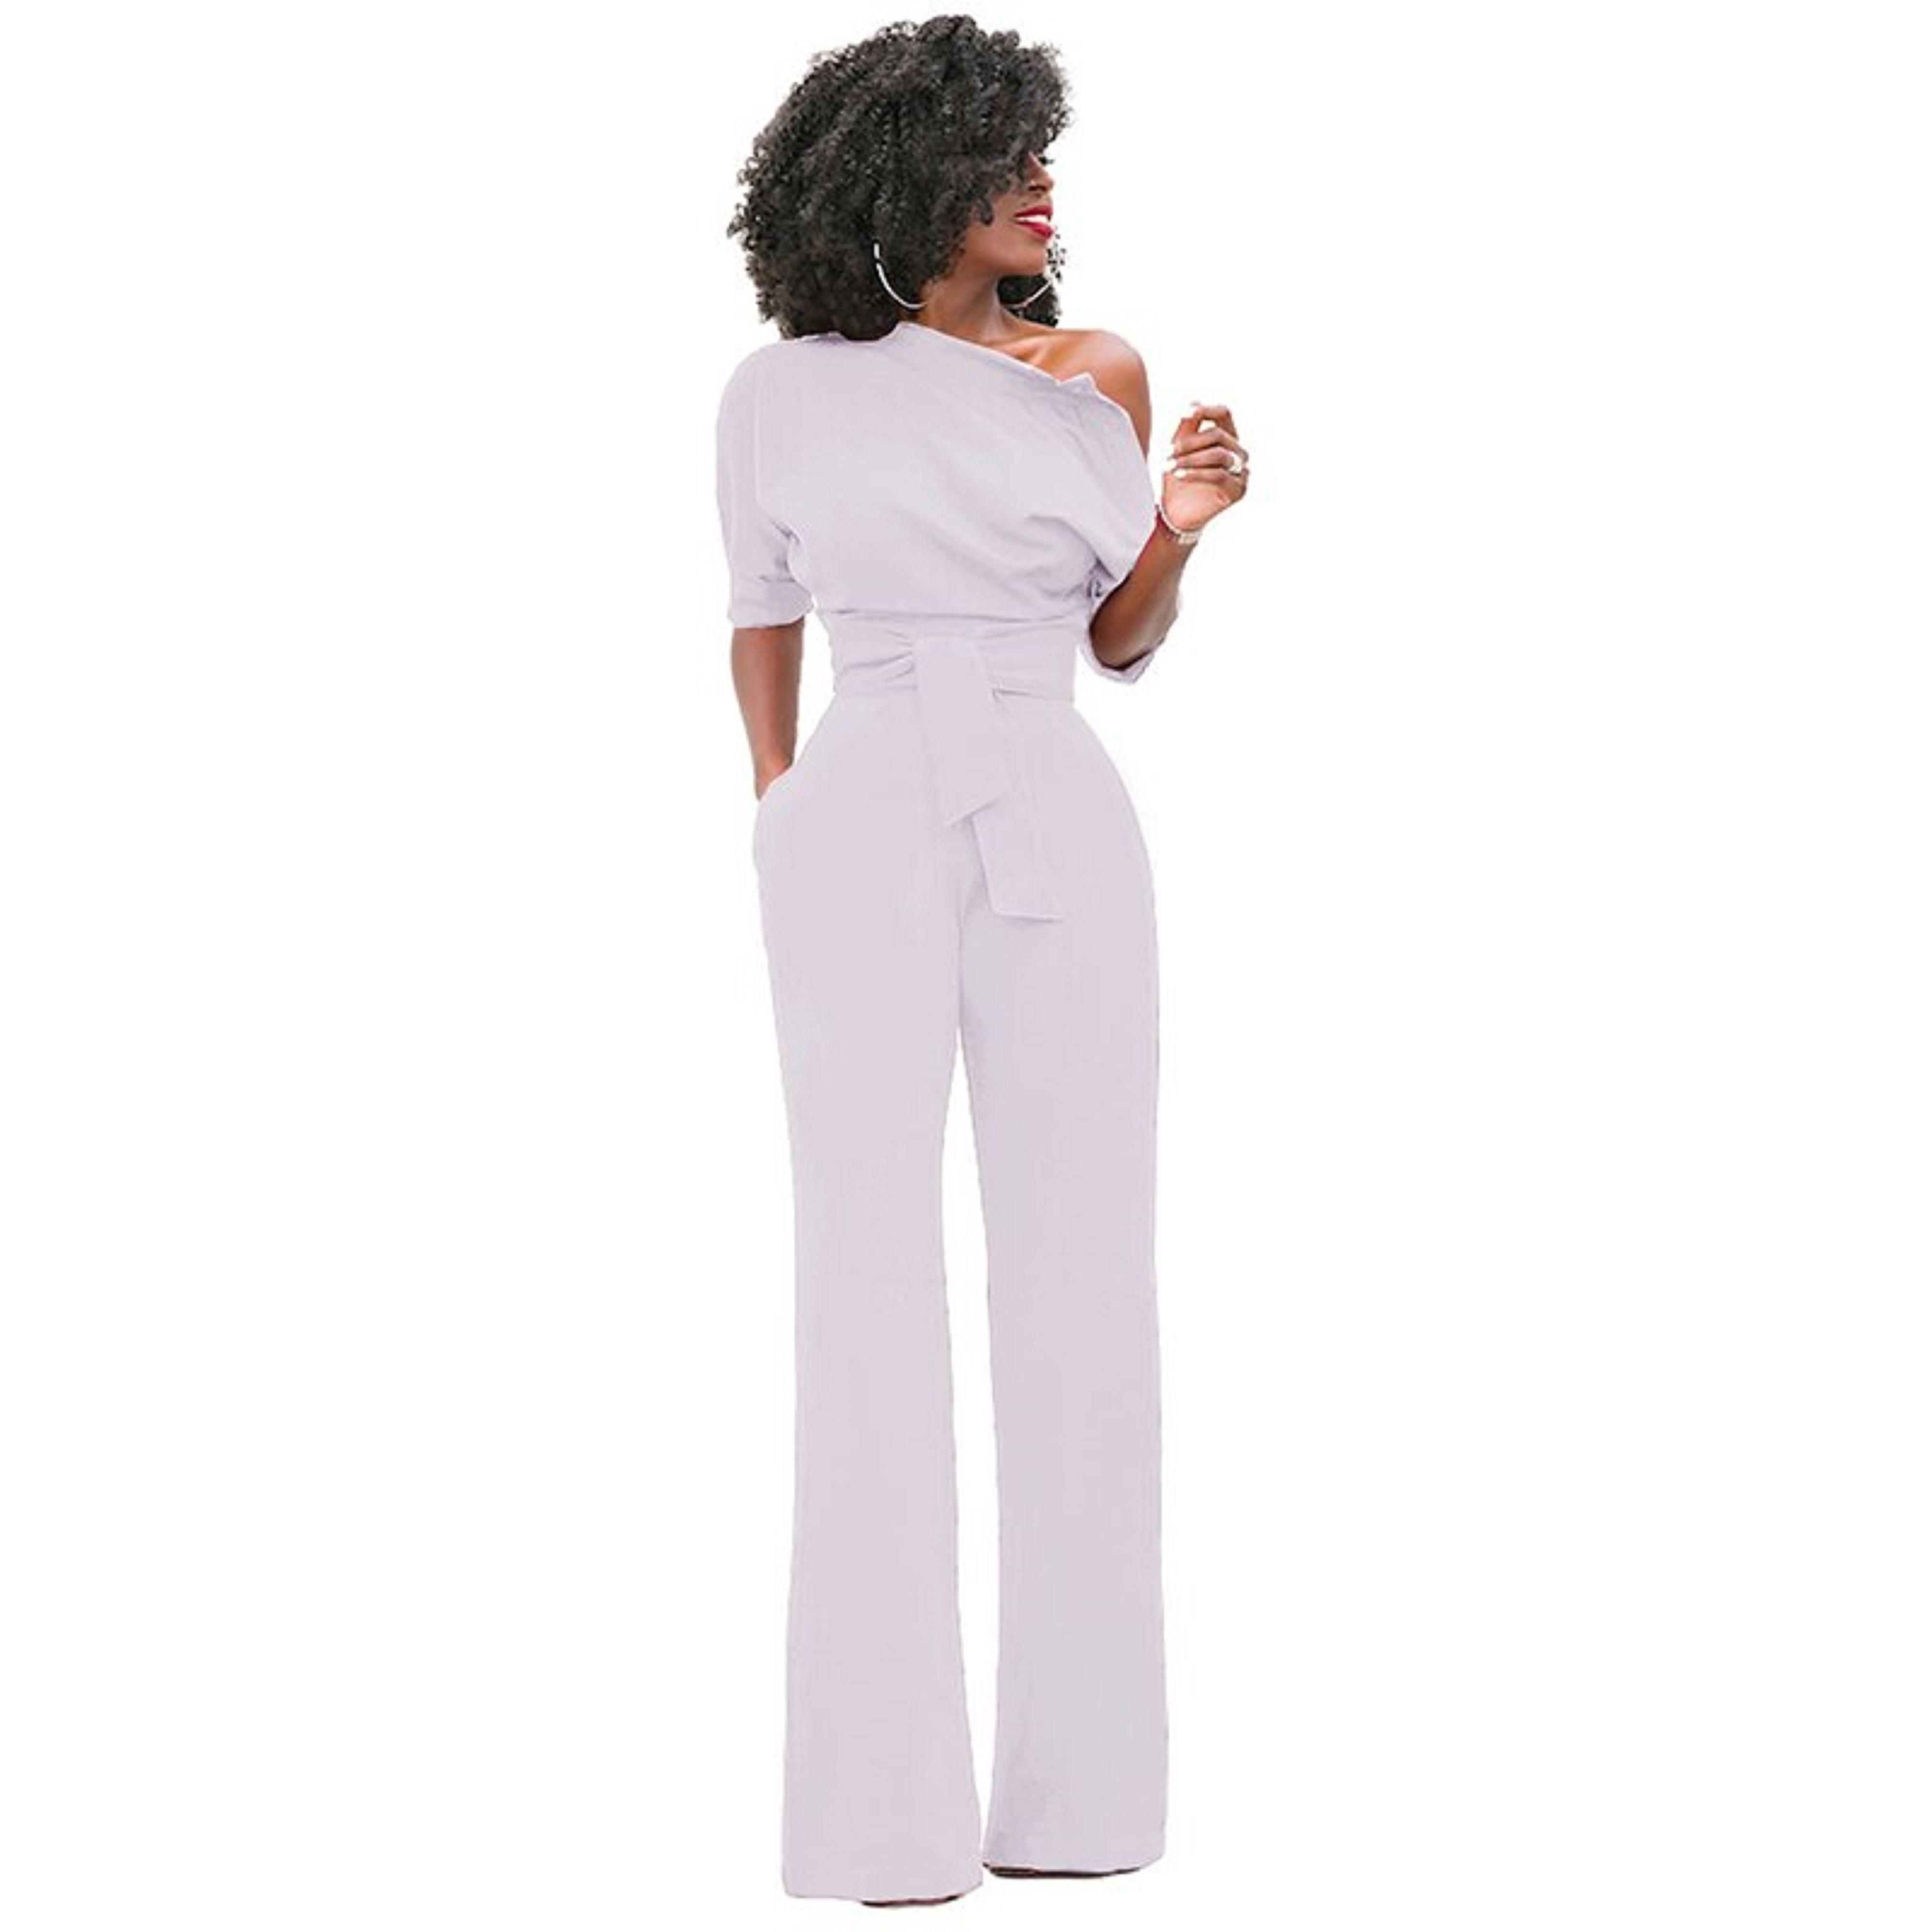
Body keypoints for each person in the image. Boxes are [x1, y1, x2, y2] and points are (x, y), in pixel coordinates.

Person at [715, 16, 1248, 1908]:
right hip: (860, 803)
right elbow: (759, 611)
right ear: (900, 179)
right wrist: (780, 801)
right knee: (860, 1280)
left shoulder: (1093, 372)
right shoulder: (779, 395)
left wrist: (1177, 530)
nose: (1040, 182)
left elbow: (1116, 638)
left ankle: (1078, 1806)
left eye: (1041, 153)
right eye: (1001, 155)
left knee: (1084, 1281)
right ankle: (882, 1821)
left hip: (1056, 797)